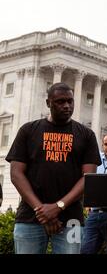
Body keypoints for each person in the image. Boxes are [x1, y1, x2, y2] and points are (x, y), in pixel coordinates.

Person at [6, 82, 101, 254]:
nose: (67, 106)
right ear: (48, 103)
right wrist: (42, 211)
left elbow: (88, 177)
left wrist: (58, 207)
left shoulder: (86, 135)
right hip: (30, 218)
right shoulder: (28, 130)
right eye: (60, 101)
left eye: (70, 101)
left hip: (71, 219)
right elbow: (16, 174)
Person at [81, 133, 107, 254]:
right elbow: (86, 180)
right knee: (86, 249)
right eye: (106, 144)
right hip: (94, 213)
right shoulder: (95, 161)